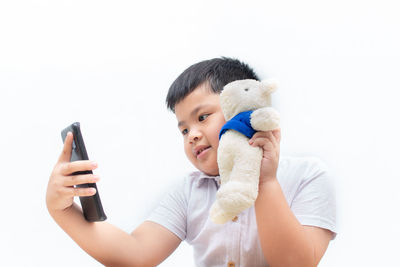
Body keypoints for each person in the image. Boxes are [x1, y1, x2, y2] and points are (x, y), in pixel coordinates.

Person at [46, 57, 336, 267]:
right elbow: (133, 255)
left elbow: (295, 263)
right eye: (183, 129)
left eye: (202, 117)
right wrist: (61, 210)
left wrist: (265, 181)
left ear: (245, 108)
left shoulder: (307, 176)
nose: (192, 135)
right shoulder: (189, 193)